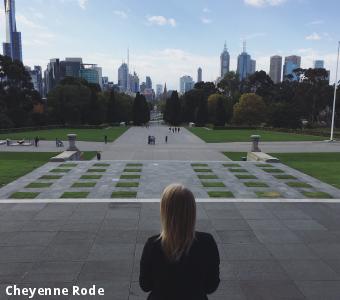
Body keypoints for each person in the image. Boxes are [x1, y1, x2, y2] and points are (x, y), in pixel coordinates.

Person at [139, 184, 220, 300]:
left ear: (164, 211)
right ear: (192, 210)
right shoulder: (207, 242)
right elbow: (211, 286)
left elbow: (145, 285)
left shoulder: (153, 245)